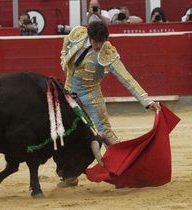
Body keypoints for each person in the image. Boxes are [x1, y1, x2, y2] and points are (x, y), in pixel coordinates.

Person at [58, 21, 160, 187]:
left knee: (105, 132)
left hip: (91, 95)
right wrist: (64, 60)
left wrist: (146, 101)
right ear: (89, 37)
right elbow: (65, 44)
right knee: (69, 134)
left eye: (102, 41)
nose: (99, 45)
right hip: (69, 94)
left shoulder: (107, 52)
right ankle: (70, 175)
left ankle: (126, 170)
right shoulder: (77, 33)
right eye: (96, 41)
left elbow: (126, 77)